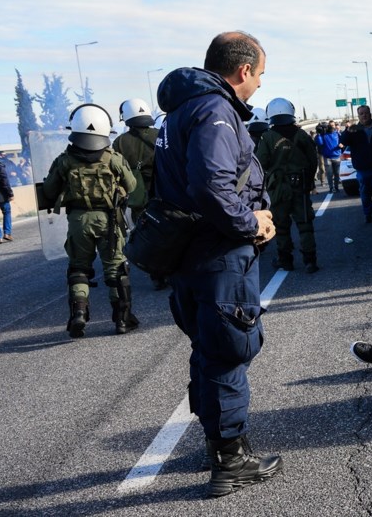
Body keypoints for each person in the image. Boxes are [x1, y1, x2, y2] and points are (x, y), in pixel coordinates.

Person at [155, 31, 282, 498]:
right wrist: (252, 223)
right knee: (228, 349)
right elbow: (212, 185)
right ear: (243, 69)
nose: (260, 84)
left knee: (208, 349)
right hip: (217, 256)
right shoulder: (215, 111)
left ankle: (217, 444)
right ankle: (230, 460)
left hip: (190, 254)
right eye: (261, 74)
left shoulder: (181, 110)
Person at [41, 104, 139, 337]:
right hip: (108, 220)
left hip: (78, 220)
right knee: (116, 269)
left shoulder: (64, 160)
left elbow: (48, 191)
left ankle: (79, 314)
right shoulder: (114, 159)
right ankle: (122, 319)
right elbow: (132, 185)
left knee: (78, 268)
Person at [256, 97, 320, 273]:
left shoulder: (267, 137)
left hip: (278, 189)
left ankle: (285, 260)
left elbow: (260, 163)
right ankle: (310, 261)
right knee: (305, 225)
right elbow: (313, 160)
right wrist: (308, 182)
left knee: (281, 226)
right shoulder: (301, 135)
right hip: (300, 185)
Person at [112, 98, 167, 290]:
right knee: (170, 231)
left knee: (147, 235)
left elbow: (116, 172)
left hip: (139, 198)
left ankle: (156, 275)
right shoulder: (160, 135)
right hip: (163, 193)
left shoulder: (120, 142)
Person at [314, 120, 343, 192]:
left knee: (337, 174)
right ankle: (331, 188)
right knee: (329, 174)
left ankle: (336, 187)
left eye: (331, 126)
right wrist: (318, 134)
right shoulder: (323, 135)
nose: (330, 127)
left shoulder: (337, 133)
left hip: (337, 156)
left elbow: (342, 141)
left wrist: (342, 145)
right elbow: (320, 143)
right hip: (327, 158)